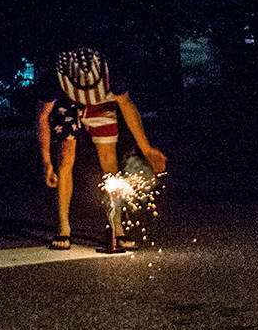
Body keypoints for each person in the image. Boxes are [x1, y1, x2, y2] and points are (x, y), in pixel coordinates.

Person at [36, 46, 167, 251]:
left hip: (103, 103)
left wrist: (147, 149)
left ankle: (117, 228)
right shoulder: (56, 77)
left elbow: (127, 107)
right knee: (65, 156)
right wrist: (46, 162)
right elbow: (43, 117)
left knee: (109, 164)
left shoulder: (111, 73)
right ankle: (64, 228)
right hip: (67, 104)